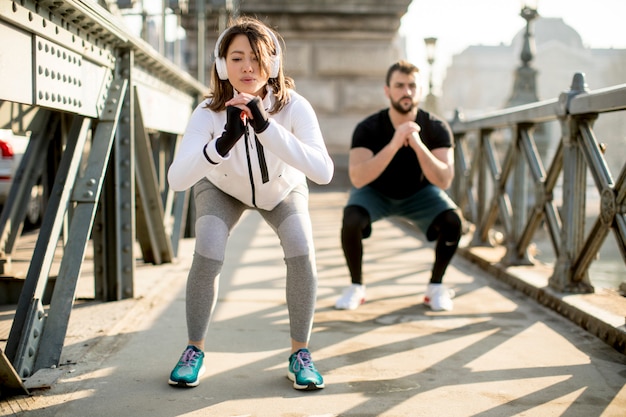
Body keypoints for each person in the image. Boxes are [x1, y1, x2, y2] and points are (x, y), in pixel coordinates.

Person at [167, 16, 333, 390]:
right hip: (222, 189)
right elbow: (177, 180)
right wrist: (221, 143)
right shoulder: (206, 113)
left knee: (301, 249)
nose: (247, 67)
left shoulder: (294, 107)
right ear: (222, 64)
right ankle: (194, 350)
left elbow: (323, 171)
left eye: (256, 58)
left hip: (281, 189)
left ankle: (300, 353)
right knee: (208, 248)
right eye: (237, 58)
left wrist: (265, 127)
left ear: (272, 65)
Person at [335, 60, 462, 312]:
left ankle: (435, 287)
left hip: (420, 194)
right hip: (375, 192)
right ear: (387, 91)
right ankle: (356, 286)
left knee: (453, 221)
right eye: (400, 85)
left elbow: (445, 180)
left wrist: (417, 144)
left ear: (420, 90)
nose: (407, 92)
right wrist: (394, 142)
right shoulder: (368, 127)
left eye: (412, 86)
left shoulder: (436, 127)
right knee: (351, 217)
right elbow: (358, 178)